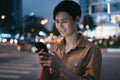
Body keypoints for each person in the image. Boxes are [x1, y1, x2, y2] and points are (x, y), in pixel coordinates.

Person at [37, 1, 102, 80]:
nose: (60, 26)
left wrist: (61, 67)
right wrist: (44, 67)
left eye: (64, 21)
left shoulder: (92, 50)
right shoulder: (54, 48)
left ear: (77, 20)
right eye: (57, 21)